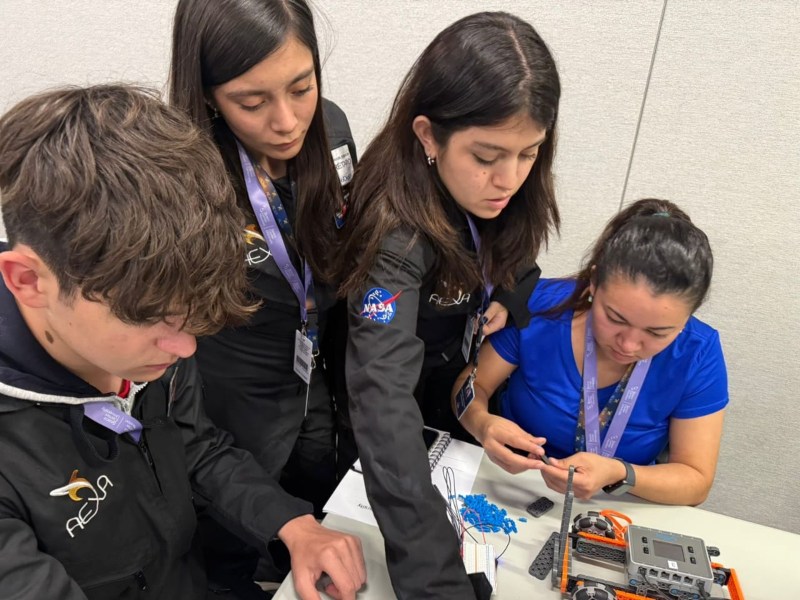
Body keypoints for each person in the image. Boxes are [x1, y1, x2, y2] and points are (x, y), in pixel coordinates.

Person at [0, 84, 364, 600]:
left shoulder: (155, 342)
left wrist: (290, 524)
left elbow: (195, 445)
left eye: (192, 320)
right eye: (154, 320)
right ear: (30, 282)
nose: (186, 350)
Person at [336, 12, 561, 598]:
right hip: (381, 419)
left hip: (451, 400)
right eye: (487, 157)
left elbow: (519, 258)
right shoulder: (396, 235)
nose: (508, 180)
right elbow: (380, 396)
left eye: (529, 153)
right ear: (428, 136)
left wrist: (508, 296)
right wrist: (437, 584)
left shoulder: (500, 188)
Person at [169, 0, 357, 590]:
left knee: (311, 530)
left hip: (314, 388)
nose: (287, 121)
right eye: (253, 103)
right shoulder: (182, 180)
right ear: (207, 97)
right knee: (229, 553)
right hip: (231, 409)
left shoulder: (333, 132)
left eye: (301, 87)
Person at [455, 198, 728, 506]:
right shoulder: (541, 306)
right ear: (594, 283)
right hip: (512, 484)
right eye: (615, 318)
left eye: (657, 332)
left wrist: (618, 473)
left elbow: (696, 481)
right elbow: (472, 385)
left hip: (614, 504)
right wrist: (481, 423)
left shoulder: (698, 352)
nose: (628, 345)